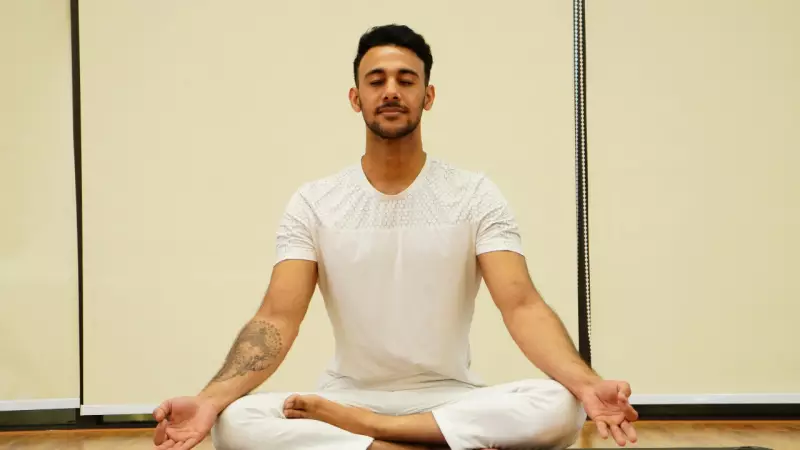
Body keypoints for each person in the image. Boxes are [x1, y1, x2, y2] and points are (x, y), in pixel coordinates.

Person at [151, 24, 639, 450]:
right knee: (235, 421)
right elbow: (276, 317)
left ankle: (373, 436)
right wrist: (209, 400)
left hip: (449, 396)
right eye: (376, 80)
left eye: (406, 80)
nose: (390, 91)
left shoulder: (474, 194)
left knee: (559, 405)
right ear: (355, 97)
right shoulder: (315, 201)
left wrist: (587, 385)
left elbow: (522, 305)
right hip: (346, 396)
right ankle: (422, 443)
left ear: (428, 96)